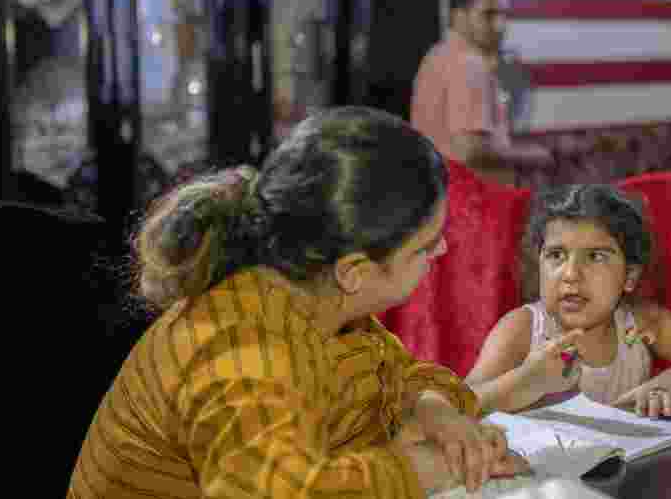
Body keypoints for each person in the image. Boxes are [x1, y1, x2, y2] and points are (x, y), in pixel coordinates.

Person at [68, 106, 528, 499]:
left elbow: (394, 372)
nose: (442, 252)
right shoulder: (240, 344)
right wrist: (422, 471)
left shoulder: (318, 299)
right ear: (354, 271)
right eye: (425, 246)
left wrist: (431, 406)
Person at [464, 183, 671, 419]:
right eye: (556, 255)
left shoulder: (639, 324)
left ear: (629, 277)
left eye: (596, 256)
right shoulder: (525, 328)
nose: (571, 274)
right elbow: (459, 406)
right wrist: (525, 382)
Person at [410, 0, 553, 185]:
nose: (500, 25)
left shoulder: (435, 57)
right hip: (478, 204)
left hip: (443, 197)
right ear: (458, 16)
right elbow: (470, 150)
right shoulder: (471, 64)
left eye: (504, 15)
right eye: (488, 15)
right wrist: (533, 155)